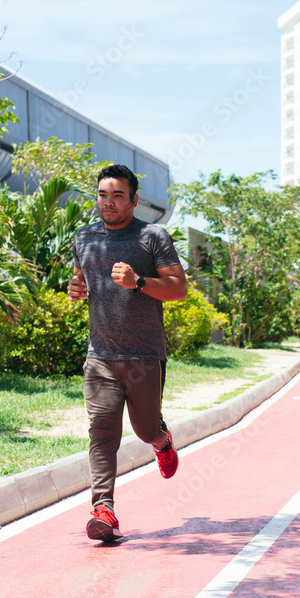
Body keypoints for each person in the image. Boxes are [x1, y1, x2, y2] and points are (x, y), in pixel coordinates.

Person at [68, 164, 187, 542]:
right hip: (100, 354)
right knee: (102, 431)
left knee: (144, 428)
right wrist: (76, 288)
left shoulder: (152, 236)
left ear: (134, 200)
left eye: (118, 195)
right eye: (103, 195)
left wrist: (138, 282)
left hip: (144, 354)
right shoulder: (84, 237)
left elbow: (177, 289)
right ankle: (103, 508)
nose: (109, 202)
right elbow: (82, 278)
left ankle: (161, 440)